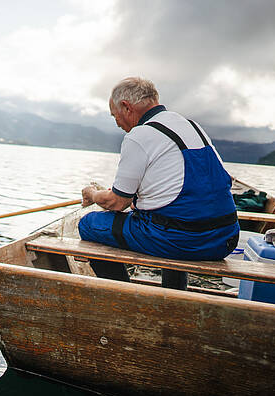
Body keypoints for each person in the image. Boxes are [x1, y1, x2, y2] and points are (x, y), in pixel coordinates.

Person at [78, 77, 240, 289]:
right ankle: (175, 294)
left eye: (114, 115)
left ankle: (123, 296)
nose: (117, 123)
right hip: (225, 239)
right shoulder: (193, 126)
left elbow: (117, 203)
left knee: (89, 225)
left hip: (183, 242)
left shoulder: (139, 135)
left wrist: (92, 194)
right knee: (172, 219)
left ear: (126, 107)